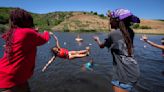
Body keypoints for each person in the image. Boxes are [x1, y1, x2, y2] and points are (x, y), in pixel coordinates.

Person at [0, 8, 50, 92]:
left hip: (9, 76)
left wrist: (34, 32)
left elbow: (25, 35)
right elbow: (44, 39)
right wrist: (46, 32)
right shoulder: (27, 33)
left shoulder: (12, 33)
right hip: (11, 80)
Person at [93, 8, 140, 92]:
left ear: (116, 21)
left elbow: (101, 46)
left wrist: (97, 40)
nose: (109, 22)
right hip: (133, 70)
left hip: (123, 75)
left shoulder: (113, 34)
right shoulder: (130, 32)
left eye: (110, 20)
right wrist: (112, 16)